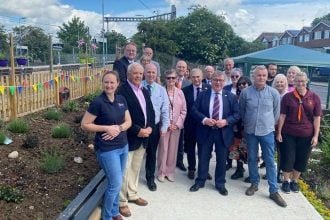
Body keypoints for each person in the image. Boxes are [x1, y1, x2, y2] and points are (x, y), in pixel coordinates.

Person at [81, 70, 132, 220]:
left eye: (112, 82)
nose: (109, 85)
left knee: (117, 181)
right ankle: (107, 217)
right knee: (115, 184)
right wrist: (106, 128)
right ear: (102, 83)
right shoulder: (98, 102)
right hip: (107, 150)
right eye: (106, 82)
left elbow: (128, 121)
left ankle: (115, 212)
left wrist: (119, 128)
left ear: (117, 84)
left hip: (123, 145)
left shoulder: (122, 99)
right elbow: (85, 124)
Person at [239, 65, 287, 207]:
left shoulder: (273, 93)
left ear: (267, 77)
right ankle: (254, 183)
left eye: (263, 75)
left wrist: (269, 124)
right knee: (252, 158)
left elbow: (276, 113)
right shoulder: (245, 93)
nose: (261, 78)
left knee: (270, 160)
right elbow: (242, 111)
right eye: (258, 75)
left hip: (267, 132)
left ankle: (273, 190)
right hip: (250, 132)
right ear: (253, 76)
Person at [189, 71, 240, 196]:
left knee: (222, 159)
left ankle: (220, 183)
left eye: (221, 80)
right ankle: (200, 181)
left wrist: (226, 121)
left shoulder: (231, 96)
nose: (218, 82)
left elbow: (237, 114)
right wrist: (205, 120)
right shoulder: (203, 95)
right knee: (203, 157)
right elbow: (194, 110)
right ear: (211, 81)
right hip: (205, 130)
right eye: (215, 80)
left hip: (223, 132)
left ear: (224, 82)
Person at [117, 63, 155, 218]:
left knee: (135, 168)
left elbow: (150, 111)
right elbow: (120, 116)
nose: (139, 76)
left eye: (140, 73)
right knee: (124, 171)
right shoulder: (122, 92)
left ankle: (132, 194)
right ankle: (122, 202)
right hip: (130, 137)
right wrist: (138, 130)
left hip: (144, 136)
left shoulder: (144, 90)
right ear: (128, 74)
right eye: (135, 73)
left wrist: (150, 127)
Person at [276, 72, 321, 194]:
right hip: (288, 133)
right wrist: (279, 132)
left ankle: (294, 181)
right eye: (298, 81)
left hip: (306, 134)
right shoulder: (287, 97)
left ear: (307, 81)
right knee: (288, 157)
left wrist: (316, 136)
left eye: (303, 81)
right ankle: (286, 181)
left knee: (302, 159)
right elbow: (282, 115)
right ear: (294, 82)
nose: (300, 83)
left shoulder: (314, 97)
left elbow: (317, 118)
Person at [142, 63, 170, 191]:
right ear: (144, 73)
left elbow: (165, 109)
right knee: (137, 153)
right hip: (140, 127)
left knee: (152, 153)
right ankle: (132, 178)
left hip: (154, 127)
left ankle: (150, 178)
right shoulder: (138, 87)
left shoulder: (161, 90)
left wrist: (164, 127)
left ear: (156, 74)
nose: (151, 75)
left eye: (153, 72)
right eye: (148, 72)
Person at [158, 69, 187, 182]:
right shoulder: (161, 91)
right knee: (163, 149)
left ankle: (170, 172)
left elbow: (184, 110)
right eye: (168, 78)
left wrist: (177, 124)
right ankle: (161, 172)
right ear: (165, 79)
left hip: (175, 127)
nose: (171, 80)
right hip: (164, 125)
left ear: (176, 79)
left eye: (173, 78)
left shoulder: (180, 92)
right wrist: (165, 123)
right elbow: (157, 108)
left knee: (173, 149)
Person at [182, 68, 211, 180]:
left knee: (204, 149)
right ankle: (192, 169)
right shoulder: (185, 91)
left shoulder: (209, 89)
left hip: (204, 125)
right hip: (190, 125)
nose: (196, 79)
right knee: (190, 148)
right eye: (193, 77)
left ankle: (204, 170)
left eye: (198, 76)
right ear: (190, 78)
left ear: (202, 76)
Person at [229, 76, 252, 180]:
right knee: (237, 150)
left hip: (249, 128)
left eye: (244, 84)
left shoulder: (253, 96)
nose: (242, 86)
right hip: (237, 129)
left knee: (250, 151)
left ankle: (252, 174)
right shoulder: (235, 97)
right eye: (240, 84)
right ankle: (239, 169)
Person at [223, 68, 243, 170]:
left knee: (238, 145)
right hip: (228, 121)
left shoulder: (243, 88)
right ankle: (229, 163)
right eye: (232, 76)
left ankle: (239, 167)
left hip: (240, 123)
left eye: (237, 76)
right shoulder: (226, 88)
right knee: (228, 143)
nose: (234, 78)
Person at [175, 60, 191, 172]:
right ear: (176, 68)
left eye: (183, 67)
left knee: (181, 140)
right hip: (172, 115)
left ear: (186, 70)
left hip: (184, 116)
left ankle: (179, 161)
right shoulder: (169, 80)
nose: (181, 69)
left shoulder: (189, 83)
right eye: (179, 67)